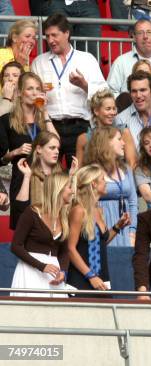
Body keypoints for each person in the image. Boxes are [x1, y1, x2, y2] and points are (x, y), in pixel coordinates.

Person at [31, 13, 108, 168]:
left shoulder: (86, 59)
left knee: (80, 177)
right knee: (49, 177)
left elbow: (105, 94)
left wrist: (84, 85)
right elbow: (31, 95)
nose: (50, 40)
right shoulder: (39, 62)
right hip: (50, 126)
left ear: (66, 33)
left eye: (54, 35)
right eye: (47, 36)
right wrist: (38, 94)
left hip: (80, 126)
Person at [0, 72, 61, 229]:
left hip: (46, 178)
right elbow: (2, 158)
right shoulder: (7, 120)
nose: (35, 93)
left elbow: (56, 142)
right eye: (30, 89)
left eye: (38, 89)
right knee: (23, 228)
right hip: (21, 178)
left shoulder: (43, 119)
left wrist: (45, 112)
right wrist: (15, 151)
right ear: (19, 92)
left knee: (47, 229)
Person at [66, 165, 131, 295]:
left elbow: (101, 243)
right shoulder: (79, 210)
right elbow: (70, 249)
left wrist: (117, 226)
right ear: (94, 184)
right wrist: (90, 275)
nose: (106, 182)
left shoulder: (98, 210)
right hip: (81, 280)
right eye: (103, 179)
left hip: (101, 279)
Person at [10, 172, 72, 298]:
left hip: (54, 275)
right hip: (30, 271)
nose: (73, 191)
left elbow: (64, 252)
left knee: (56, 314)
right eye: (69, 187)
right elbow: (16, 246)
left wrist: (63, 272)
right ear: (59, 189)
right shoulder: (32, 212)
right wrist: (41, 266)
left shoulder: (64, 218)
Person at [84, 126, 138, 247]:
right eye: (119, 139)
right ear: (107, 143)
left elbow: (133, 202)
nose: (123, 143)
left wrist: (132, 232)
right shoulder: (92, 172)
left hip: (125, 228)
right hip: (103, 226)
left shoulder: (126, 169)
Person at [107, 19, 151, 107]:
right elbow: (110, 94)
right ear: (133, 36)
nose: (145, 36)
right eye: (140, 33)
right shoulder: (121, 62)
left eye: (149, 32)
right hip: (129, 118)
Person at [75, 88, 138, 169]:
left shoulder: (123, 132)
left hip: (121, 179)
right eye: (108, 109)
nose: (112, 113)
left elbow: (132, 164)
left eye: (114, 108)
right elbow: (78, 171)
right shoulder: (83, 139)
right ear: (96, 111)